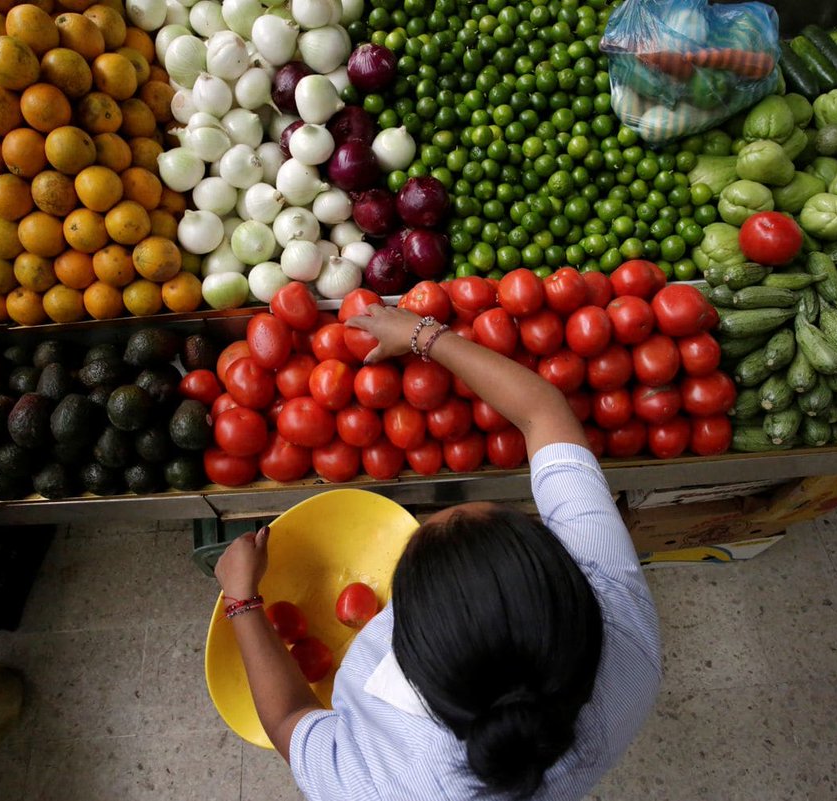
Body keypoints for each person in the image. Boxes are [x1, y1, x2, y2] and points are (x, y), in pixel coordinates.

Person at [214, 304, 662, 800]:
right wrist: (425, 336)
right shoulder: (616, 608)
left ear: (411, 655)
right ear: (560, 570)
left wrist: (241, 599)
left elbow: (288, 720)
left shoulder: (380, 786)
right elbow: (544, 414)